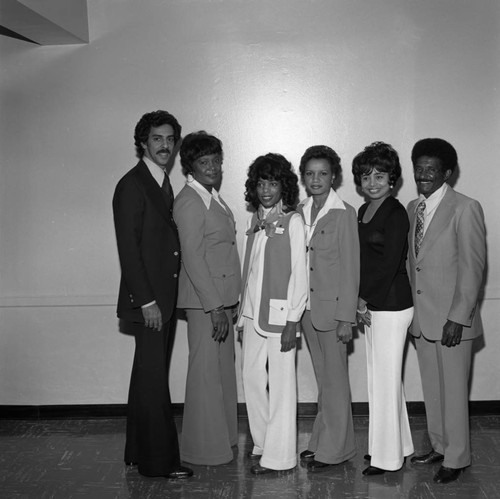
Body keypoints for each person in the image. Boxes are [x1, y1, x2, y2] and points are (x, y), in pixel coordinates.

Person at [112, 110, 192, 479]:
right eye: (157, 138)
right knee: (155, 380)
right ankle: (159, 463)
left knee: (146, 375)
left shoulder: (158, 181)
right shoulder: (133, 184)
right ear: (143, 142)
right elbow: (128, 250)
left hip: (162, 298)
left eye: (170, 139)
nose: (164, 145)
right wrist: (147, 302)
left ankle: (136, 451)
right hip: (150, 303)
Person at [407, 138, 486, 484]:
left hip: (453, 321)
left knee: (454, 393)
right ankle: (439, 445)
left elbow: (473, 269)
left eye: (431, 169)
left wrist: (458, 316)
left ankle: (457, 457)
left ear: (448, 173)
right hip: (423, 319)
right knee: (433, 389)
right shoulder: (413, 208)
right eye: (418, 168)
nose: (423, 175)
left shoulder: (465, 208)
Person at [173, 131, 241, 465]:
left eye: (216, 161)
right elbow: (193, 258)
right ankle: (202, 449)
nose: (212, 167)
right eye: (204, 162)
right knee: (205, 374)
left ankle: (224, 440)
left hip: (222, 301)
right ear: (190, 166)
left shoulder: (212, 196)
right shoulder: (189, 200)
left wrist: (230, 300)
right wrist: (214, 306)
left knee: (222, 373)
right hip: (205, 304)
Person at [238, 153, 307, 475]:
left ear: (284, 186)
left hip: (281, 318)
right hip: (251, 316)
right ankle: (263, 444)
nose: (266, 189)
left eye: (273, 183)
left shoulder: (293, 221)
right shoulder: (255, 221)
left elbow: (299, 275)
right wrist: (241, 316)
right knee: (251, 379)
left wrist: (293, 320)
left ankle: (281, 458)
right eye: (261, 183)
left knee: (281, 386)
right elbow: (250, 271)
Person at [352, 142, 414, 476]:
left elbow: (390, 264)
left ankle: (388, 460)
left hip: (392, 305)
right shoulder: (363, 212)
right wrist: (360, 299)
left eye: (380, 175)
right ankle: (393, 446)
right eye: (366, 176)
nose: (372, 182)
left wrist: (362, 299)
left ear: (393, 179)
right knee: (382, 380)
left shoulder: (395, 212)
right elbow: (363, 262)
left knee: (386, 381)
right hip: (374, 305)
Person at [296, 145, 359, 472]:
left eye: (323, 173)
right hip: (306, 310)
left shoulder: (344, 212)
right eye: (310, 173)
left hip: (333, 313)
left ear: (333, 175)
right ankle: (322, 441)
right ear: (303, 177)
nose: (316, 179)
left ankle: (336, 450)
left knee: (335, 382)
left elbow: (351, 268)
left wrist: (346, 317)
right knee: (325, 381)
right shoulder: (298, 210)